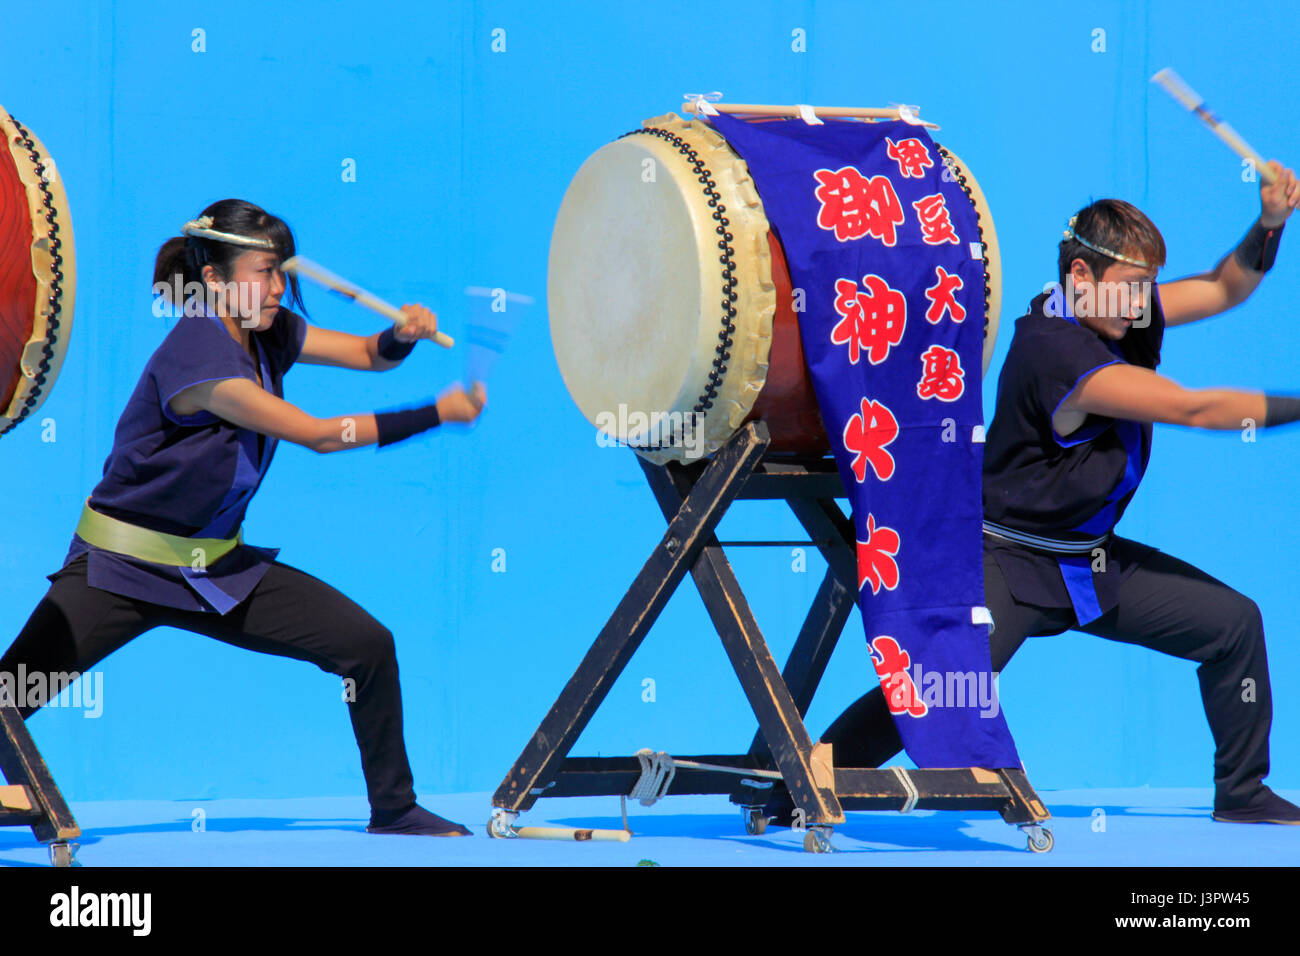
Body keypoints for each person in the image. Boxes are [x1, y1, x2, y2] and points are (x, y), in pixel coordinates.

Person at [774, 161, 1300, 826]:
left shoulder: (1114, 310)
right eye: (1132, 287)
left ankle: (1244, 793)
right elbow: (1194, 409)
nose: (1143, 305)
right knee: (937, 690)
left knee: (1233, 624)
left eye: (1148, 289)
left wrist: (1270, 223)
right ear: (1081, 277)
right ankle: (801, 778)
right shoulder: (1059, 353)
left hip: (1090, 561)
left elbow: (1226, 287)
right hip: (1007, 563)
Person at [0, 198, 485, 837]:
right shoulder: (197, 357)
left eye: (281, 271)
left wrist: (401, 335)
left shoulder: (268, 329)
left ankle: (394, 808)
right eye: (264, 271)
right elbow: (317, 434)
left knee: (367, 646)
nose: (279, 287)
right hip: (121, 569)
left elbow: (370, 355)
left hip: (215, 569)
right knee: (11, 698)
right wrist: (434, 413)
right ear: (214, 280)